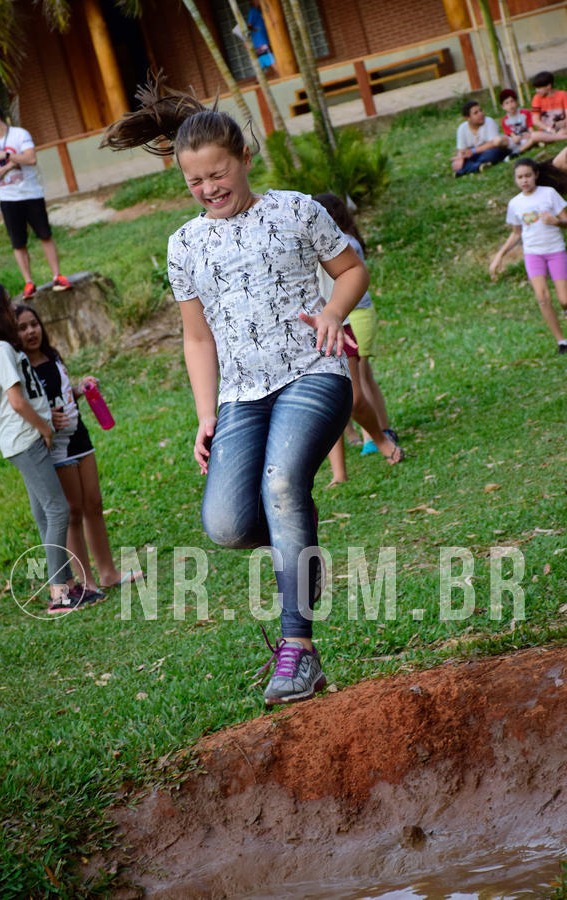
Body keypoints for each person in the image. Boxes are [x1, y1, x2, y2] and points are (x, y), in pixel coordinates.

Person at [101, 78, 403, 705]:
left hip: (312, 375)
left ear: (243, 157)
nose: (209, 189)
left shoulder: (295, 209)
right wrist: (205, 415)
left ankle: (300, 652)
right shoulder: (184, 244)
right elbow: (197, 340)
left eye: (217, 174)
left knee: (282, 485)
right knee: (227, 524)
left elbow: (352, 270)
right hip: (241, 394)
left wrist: (333, 315)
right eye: (195, 183)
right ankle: (301, 547)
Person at [0, 283, 95, 614]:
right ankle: (59, 595)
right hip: (25, 439)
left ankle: (68, 586)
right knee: (58, 510)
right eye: (7, 303)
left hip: (25, 438)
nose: (13, 307)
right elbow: (16, 401)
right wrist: (44, 428)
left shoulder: (2, 347)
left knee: (44, 512)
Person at [15, 305, 142, 592]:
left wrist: (80, 389)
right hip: (55, 446)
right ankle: (87, 581)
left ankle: (108, 572)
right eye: (22, 328)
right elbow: (27, 406)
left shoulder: (53, 356)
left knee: (94, 505)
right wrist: (48, 419)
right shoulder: (22, 369)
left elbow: (62, 391)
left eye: (34, 324)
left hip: (79, 438)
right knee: (73, 512)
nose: (31, 331)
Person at [314, 193, 400, 485]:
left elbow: (355, 275)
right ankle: (339, 472)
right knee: (326, 403)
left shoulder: (339, 244)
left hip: (344, 323)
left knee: (353, 394)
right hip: (308, 333)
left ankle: (379, 436)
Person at [0, 105, 71, 300]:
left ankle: (57, 275)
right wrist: (6, 168)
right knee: (18, 243)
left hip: (31, 194)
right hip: (8, 199)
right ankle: (29, 282)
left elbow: (31, 158)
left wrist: (8, 157)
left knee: (45, 234)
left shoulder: (20, 135)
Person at [489, 158, 567, 354]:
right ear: (516, 180)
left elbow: (565, 220)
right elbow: (516, 233)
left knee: (564, 299)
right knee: (542, 297)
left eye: (528, 176)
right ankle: (561, 341)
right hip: (533, 254)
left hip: (555, 251)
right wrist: (500, 255)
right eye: (520, 177)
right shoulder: (515, 203)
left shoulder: (549, 194)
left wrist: (556, 222)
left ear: (536, 175)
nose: (524, 180)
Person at [451, 101, 509, 176]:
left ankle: (467, 169)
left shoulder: (489, 122)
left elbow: (494, 143)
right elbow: (462, 150)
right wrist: (460, 158)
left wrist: (473, 151)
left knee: (492, 153)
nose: (481, 114)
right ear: (468, 118)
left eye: (481, 110)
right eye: (476, 113)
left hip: (491, 151)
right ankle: (479, 167)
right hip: (475, 155)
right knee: (455, 162)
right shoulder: (462, 128)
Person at [530, 71, 567, 141]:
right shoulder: (537, 98)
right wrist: (550, 129)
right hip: (546, 130)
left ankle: (552, 138)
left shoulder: (563, 95)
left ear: (548, 86)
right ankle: (561, 137)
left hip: (563, 128)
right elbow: (536, 120)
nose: (536, 91)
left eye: (539, 88)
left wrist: (565, 121)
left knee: (564, 130)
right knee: (534, 135)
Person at [247, 0, 278, 77]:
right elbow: (249, 25)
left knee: (262, 58)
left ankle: (261, 78)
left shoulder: (261, 10)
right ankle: (278, 72)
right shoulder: (253, 10)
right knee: (267, 56)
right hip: (259, 39)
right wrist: (254, 30)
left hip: (262, 38)